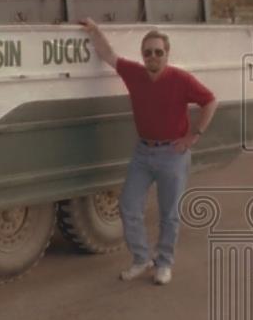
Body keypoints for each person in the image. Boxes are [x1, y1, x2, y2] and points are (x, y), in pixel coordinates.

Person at [78, 18, 218, 285]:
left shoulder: (181, 79)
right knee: (128, 205)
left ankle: (164, 263)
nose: (152, 56)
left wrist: (193, 136)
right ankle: (141, 259)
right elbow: (108, 55)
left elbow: (210, 100)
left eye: (158, 52)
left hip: (173, 154)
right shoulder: (133, 73)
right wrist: (94, 30)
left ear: (167, 54)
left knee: (169, 214)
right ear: (142, 55)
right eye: (147, 52)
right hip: (143, 152)